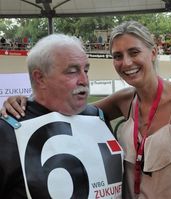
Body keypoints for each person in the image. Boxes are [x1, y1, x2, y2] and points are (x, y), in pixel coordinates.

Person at [1, 21, 171, 199]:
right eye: (118, 56)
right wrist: (25, 101)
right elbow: (60, 110)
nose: (126, 62)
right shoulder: (123, 101)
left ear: (154, 53)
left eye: (134, 52)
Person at [0, 34, 123, 198]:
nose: (84, 80)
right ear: (40, 78)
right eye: (72, 72)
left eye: (86, 70)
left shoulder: (98, 117)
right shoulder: (7, 130)